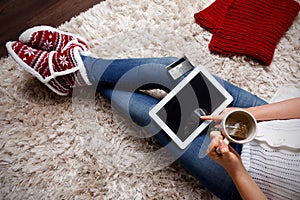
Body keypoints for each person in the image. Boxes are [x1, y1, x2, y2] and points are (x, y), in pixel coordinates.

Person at [6, 26, 300, 200]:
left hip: (244, 178)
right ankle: (82, 65)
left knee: (146, 115)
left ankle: (75, 69)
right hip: (258, 116)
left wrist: (234, 167)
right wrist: (250, 113)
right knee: (174, 68)